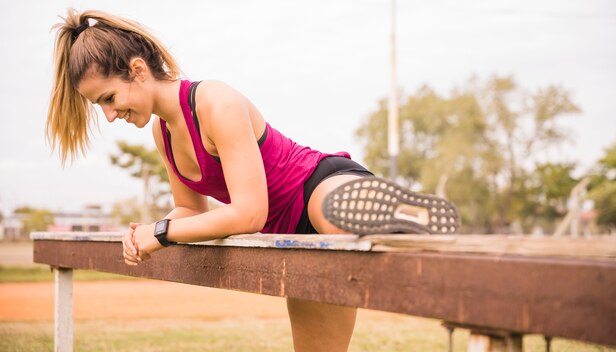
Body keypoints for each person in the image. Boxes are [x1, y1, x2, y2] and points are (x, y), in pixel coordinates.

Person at [47, 9, 460, 352]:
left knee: (336, 218)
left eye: (108, 99)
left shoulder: (213, 101)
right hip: (291, 235)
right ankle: (411, 227)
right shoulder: (163, 132)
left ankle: (408, 216)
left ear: (137, 71)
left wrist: (164, 232)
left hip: (317, 184)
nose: (108, 115)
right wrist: (144, 231)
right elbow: (191, 209)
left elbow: (248, 212)